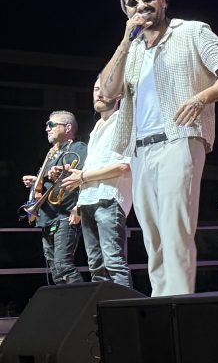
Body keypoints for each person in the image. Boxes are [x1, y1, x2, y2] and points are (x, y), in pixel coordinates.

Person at [99, 0, 218, 296]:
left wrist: (201, 98)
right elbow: (108, 92)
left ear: (163, 0)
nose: (141, 6)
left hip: (179, 139)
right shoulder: (133, 49)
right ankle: (161, 307)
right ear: (126, 12)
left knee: (175, 231)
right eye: (132, 3)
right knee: (152, 238)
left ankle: (180, 307)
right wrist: (125, 41)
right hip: (139, 149)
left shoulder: (193, 31)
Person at [59, 77, 133, 287]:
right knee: (96, 266)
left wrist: (82, 177)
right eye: (95, 88)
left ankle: (125, 306)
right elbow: (96, 164)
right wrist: (78, 193)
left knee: (114, 263)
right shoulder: (97, 127)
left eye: (105, 89)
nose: (99, 93)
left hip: (109, 198)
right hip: (88, 200)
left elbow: (123, 166)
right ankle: (104, 306)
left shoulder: (123, 121)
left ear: (118, 95)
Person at [21, 111, 87, 284]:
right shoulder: (51, 154)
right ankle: (66, 301)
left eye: (51, 125)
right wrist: (37, 180)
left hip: (65, 214)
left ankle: (83, 300)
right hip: (47, 216)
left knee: (64, 266)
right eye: (46, 125)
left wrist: (78, 207)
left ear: (68, 127)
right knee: (56, 271)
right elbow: (51, 181)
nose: (47, 129)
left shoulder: (78, 148)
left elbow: (82, 176)